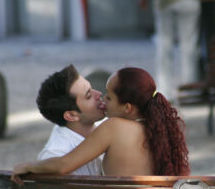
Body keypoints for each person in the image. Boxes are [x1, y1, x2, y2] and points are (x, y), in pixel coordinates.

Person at [12, 66, 189, 181]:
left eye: (109, 97)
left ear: (127, 107)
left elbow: (64, 165)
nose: (101, 97)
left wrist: (28, 165)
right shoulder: (159, 128)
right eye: (89, 95)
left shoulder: (113, 127)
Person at [36, 64, 105, 176]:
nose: (99, 94)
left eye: (91, 88)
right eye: (88, 95)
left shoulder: (107, 123)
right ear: (71, 115)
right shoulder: (57, 154)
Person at [140, 0, 201, 102]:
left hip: (164, 2)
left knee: (164, 46)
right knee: (188, 45)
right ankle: (189, 89)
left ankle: (165, 91)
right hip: (188, 1)